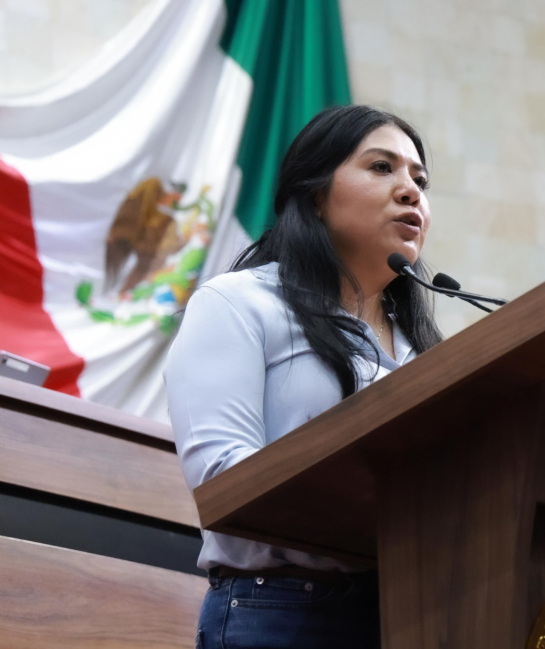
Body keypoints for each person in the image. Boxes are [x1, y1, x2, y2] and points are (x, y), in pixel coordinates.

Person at [164, 105, 443, 649]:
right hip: (278, 610)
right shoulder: (240, 303)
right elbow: (223, 480)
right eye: (381, 167)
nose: (411, 191)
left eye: (420, 180)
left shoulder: (427, 355)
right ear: (316, 195)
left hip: (410, 616)